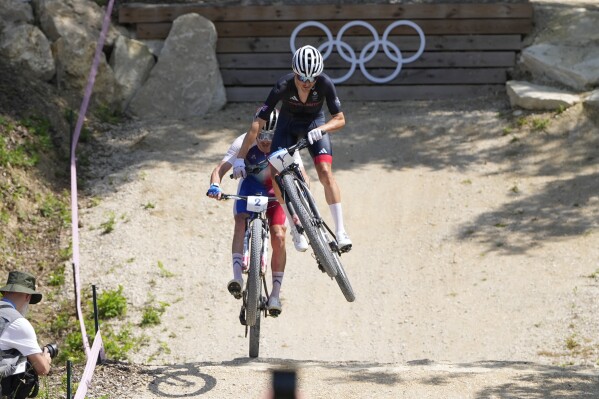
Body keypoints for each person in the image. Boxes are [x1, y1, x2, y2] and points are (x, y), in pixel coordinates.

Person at [232, 45, 352, 252]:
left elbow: (340, 119)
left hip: (315, 124)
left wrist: (323, 129)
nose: (307, 83)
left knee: (325, 172)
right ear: (294, 73)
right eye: (302, 78)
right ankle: (296, 228)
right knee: (276, 172)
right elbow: (257, 123)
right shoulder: (282, 86)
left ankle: (341, 231)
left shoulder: (324, 83)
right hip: (287, 126)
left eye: (311, 79)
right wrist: (240, 157)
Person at [206, 109, 307, 316]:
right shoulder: (242, 142)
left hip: (276, 194)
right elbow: (220, 169)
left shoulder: (286, 144)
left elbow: (302, 177)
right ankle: (237, 277)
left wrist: (302, 203)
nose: (265, 141)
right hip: (250, 189)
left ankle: (275, 295)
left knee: (279, 235)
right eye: (261, 134)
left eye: (270, 136)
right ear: (255, 130)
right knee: (240, 220)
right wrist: (215, 186)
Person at [0, 271, 52, 398]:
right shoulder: (18, 322)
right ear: (28, 297)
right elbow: (42, 369)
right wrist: (46, 358)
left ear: (6, 292)